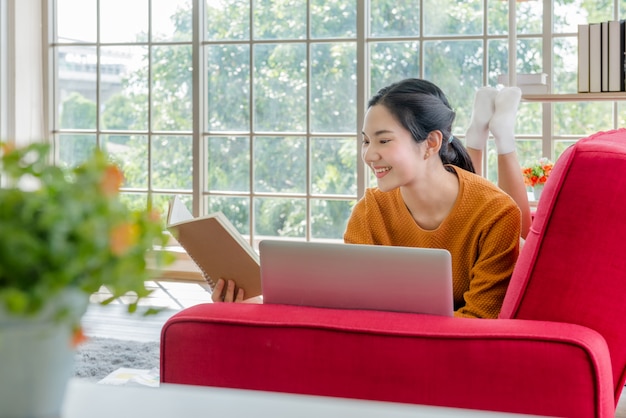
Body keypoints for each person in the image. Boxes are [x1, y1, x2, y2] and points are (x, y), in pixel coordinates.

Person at [213, 78, 525, 319]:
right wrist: (255, 305)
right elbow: (351, 307)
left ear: (431, 142)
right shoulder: (370, 210)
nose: (368, 154)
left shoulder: (496, 213)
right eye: (365, 141)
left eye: (384, 140)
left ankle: (497, 134)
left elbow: (481, 320)